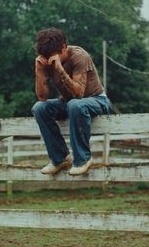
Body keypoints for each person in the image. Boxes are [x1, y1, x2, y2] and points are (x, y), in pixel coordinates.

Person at [32, 28, 111, 175]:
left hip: (97, 100)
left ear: (63, 47)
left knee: (75, 104)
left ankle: (82, 159)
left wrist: (60, 69)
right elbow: (42, 97)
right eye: (46, 56)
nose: (49, 60)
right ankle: (60, 158)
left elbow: (79, 94)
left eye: (52, 56)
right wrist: (39, 70)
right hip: (70, 103)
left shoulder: (79, 56)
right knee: (39, 108)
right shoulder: (45, 61)